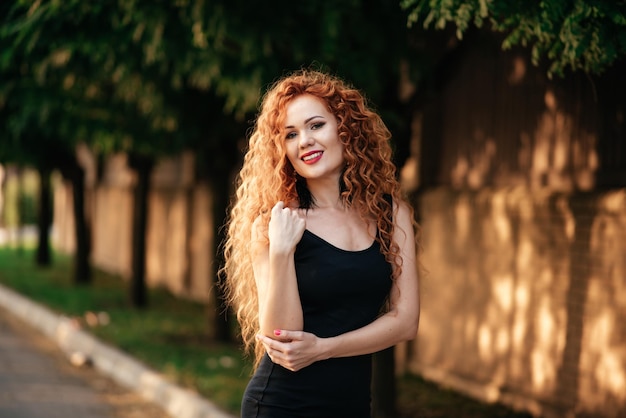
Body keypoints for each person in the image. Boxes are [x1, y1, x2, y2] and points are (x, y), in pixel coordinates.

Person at [221, 69, 420, 418]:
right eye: (291, 135)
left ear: (346, 128)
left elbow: (405, 322)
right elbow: (282, 339)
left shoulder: (391, 213)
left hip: (353, 405)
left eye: (316, 126)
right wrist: (282, 251)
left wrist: (324, 348)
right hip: (281, 404)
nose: (305, 142)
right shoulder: (272, 223)